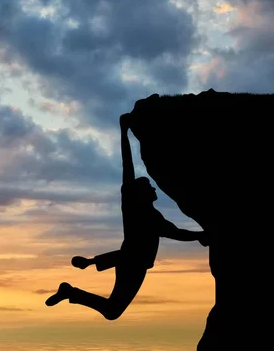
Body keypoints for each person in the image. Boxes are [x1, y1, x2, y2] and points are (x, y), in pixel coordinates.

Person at [45, 113, 208, 320]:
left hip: (131, 262)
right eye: (150, 186)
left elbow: (178, 233)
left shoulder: (153, 216)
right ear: (140, 192)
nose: (154, 189)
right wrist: (124, 132)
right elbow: (127, 165)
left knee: (112, 311)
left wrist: (200, 235)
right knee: (112, 311)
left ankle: (70, 292)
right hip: (132, 263)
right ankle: (75, 285)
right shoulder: (133, 207)